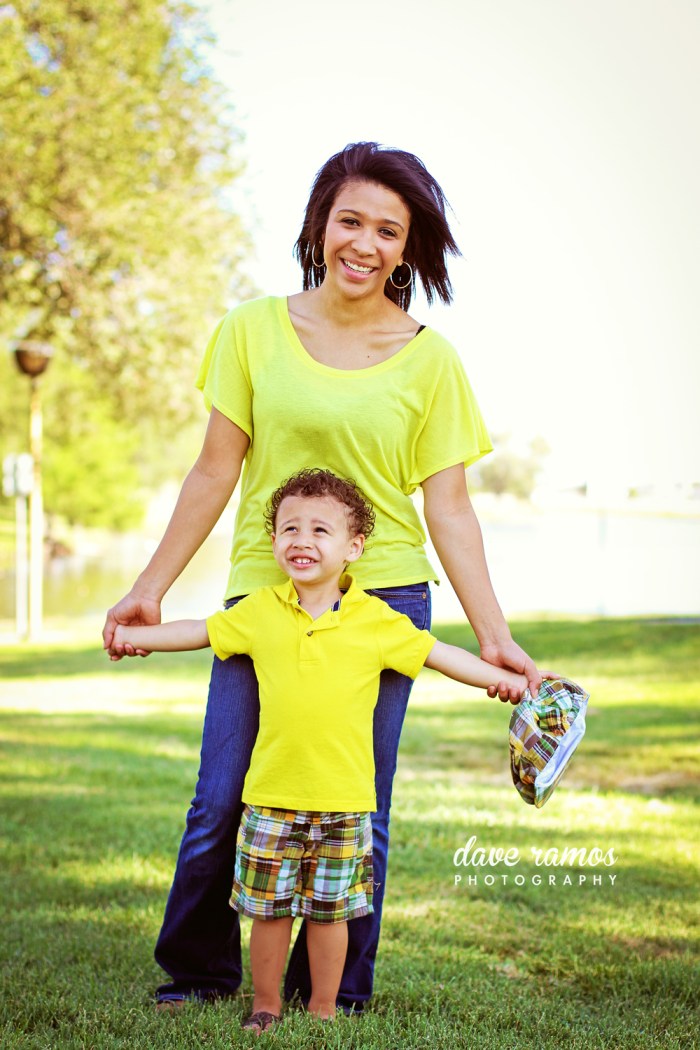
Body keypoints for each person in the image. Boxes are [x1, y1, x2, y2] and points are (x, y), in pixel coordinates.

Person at [103, 141, 543, 1013]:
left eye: (389, 231)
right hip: (265, 590)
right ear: (319, 225)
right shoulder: (251, 329)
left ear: (406, 250)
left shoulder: (432, 360)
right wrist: (151, 586)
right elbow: (214, 470)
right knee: (222, 795)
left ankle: (333, 990)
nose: (365, 244)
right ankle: (199, 970)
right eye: (351, 221)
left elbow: (450, 508)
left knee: (357, 804)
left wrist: (492, 635)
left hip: (386, 593)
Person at [111, 469, 528, 1032]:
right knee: (268, 912)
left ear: (354, 547)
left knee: (333, 915)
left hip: (344, 803)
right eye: (289, 529)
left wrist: (503, 681)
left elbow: (439, 655)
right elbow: (200, 631)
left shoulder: (378, 621)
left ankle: (324, 1007)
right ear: (273, 541)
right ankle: (265, 1005)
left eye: (319, 530)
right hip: (270, 798)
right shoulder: (259, 610)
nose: (301, 540)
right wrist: (134, 637)